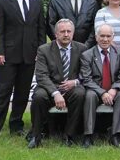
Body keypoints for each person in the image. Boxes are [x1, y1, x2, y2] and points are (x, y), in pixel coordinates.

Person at [0, 0, 45, 140]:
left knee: (22, 93)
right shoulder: (3, 2)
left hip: (29, 55)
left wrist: (41, 51)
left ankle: (16, 125)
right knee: (3, 92)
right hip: (8, 56)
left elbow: (40, 29)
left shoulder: (37, 2)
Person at [28, 19, 86, 149]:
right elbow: (41, 75)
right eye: (62, 31)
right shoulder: (44, 50)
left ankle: (69, 136)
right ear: (56, 34)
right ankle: (36, 136)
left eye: (69, 31)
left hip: (71, 88)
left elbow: (86, 72)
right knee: (38, 96)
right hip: (50, 88)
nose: (66, 34)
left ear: (73, 33)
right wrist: (55, 93)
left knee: (80, 93)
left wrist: (75, 82)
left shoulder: (82, 48)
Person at [79, 23, 120, 148]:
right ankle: (88, 135)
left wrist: (114, 89)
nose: (105, 39)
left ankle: (116, 135)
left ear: (113, 37)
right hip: (95, 90)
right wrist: (102, 92)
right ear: (96, 37)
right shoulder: (87, 55)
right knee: (89, 96)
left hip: (114, 89)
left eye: (108, 36)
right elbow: (86, 79)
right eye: (102, 36)